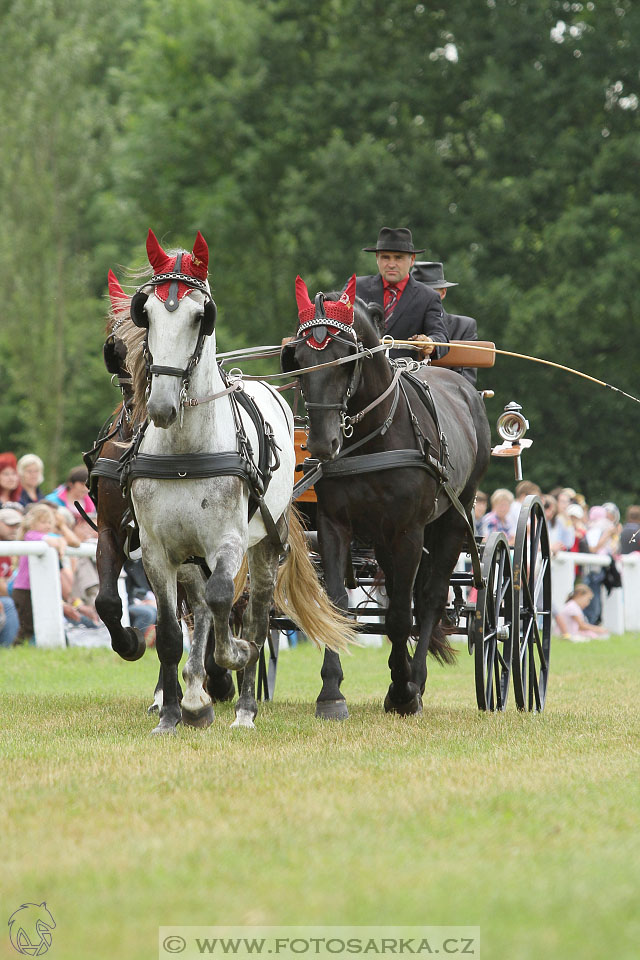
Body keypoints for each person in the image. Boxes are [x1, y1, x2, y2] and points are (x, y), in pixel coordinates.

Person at [353, 227, 449, 361]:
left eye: (398, 258)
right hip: (361, 370)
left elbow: (440, 336)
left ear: (412, 260)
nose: (391, 264)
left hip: (404, 373)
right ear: (377, 258)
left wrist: (430, 342)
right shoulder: (356, 288)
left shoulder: (428, 297)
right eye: (386, 257)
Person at [411, 260, 478, 384]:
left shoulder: (463, 327)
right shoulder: (398, 323)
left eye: (430, 293)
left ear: (443, 293)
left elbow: (465, 382)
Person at [11, 504, 69, 645]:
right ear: (32, 523)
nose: (48, 525)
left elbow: (57, 540)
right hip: (24, 589)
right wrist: (61, 545)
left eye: (50, 522)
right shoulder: (31, 536)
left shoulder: (41, 537)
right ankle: (17, 650)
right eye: (43, 522)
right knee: (27, 627)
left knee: (35, 624)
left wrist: (60, 543)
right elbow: (53, 541)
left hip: (35, 588)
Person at [0, 506, 21, 647]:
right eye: (9, 525)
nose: (13, 529)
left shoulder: (12, 548)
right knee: (9, 604)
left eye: (16, 526)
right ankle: (8, 648)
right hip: (6, 600)